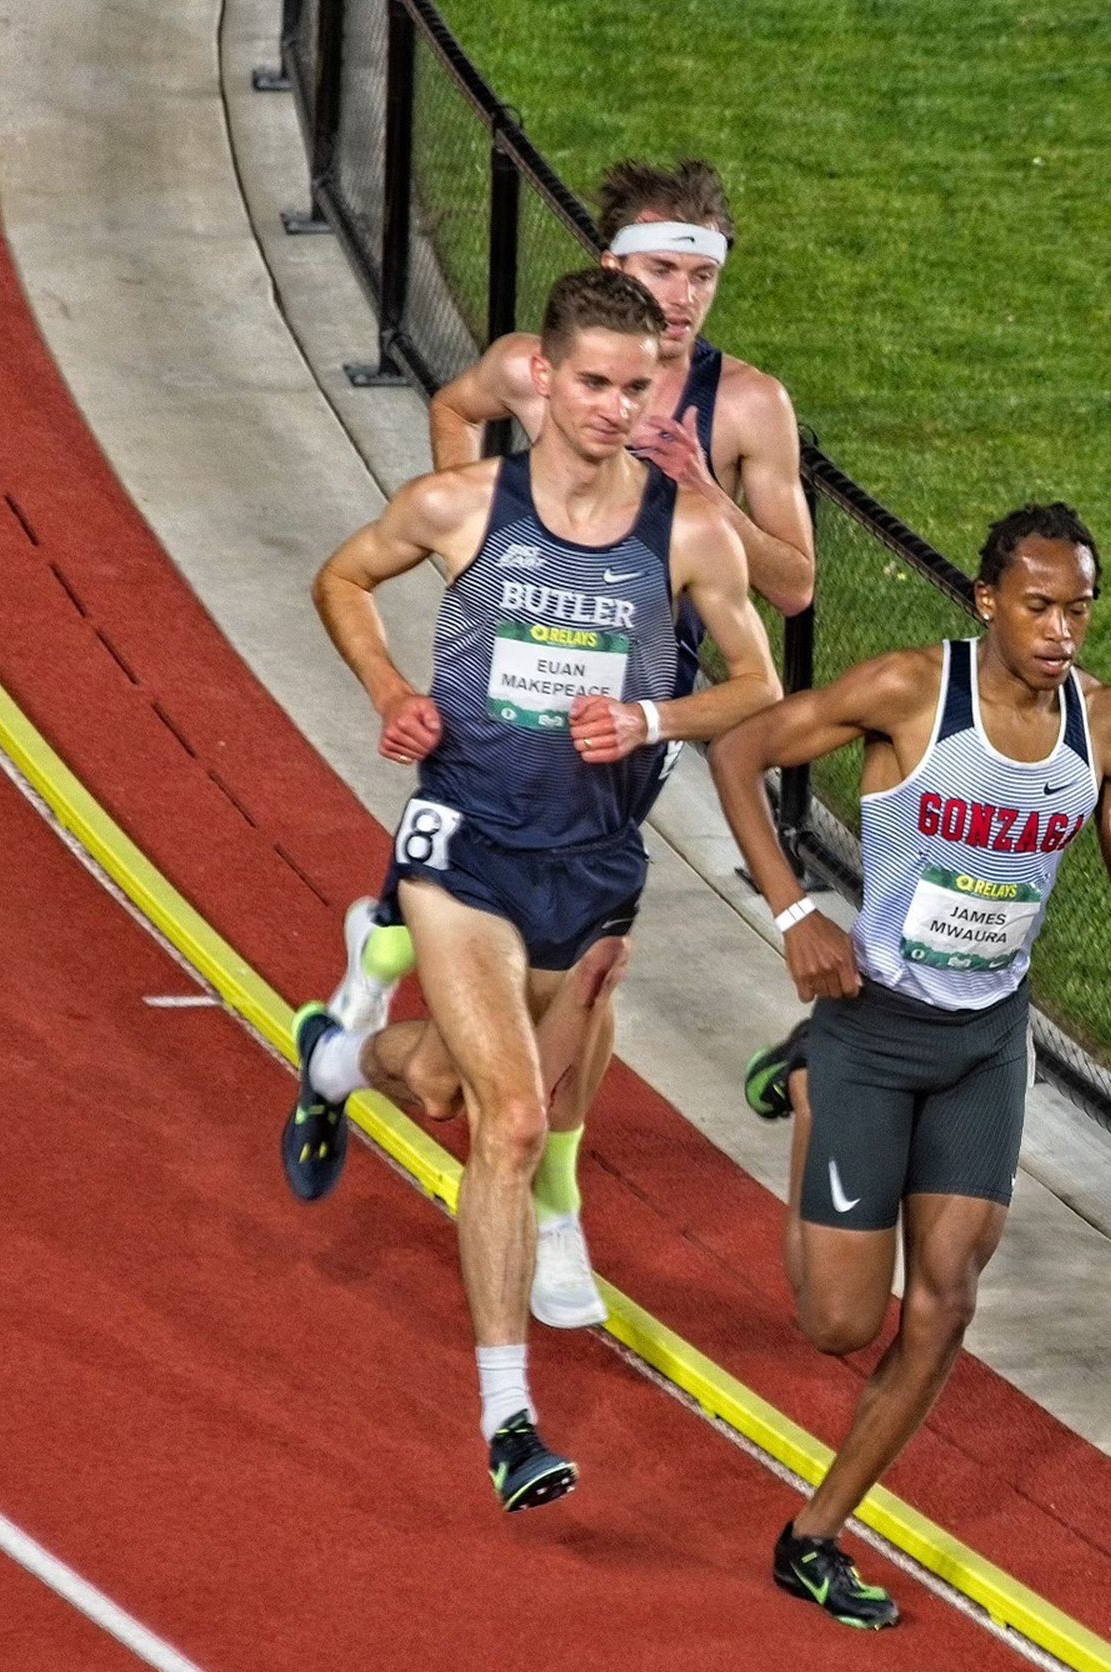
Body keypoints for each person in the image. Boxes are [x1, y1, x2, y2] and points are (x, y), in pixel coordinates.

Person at [284, 268, 781, 1512]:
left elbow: (757, 684)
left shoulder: (690, 532)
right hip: (466, 843)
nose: (619, 408)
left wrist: (654, 714)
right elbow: (341, 579)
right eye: (598, 384)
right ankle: (509, 1418)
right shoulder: (458, 505)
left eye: (640, 385)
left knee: (451, 1086)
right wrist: (395, 695)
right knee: (509, 1120)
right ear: (543, 378)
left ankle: (341, 1061)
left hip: (596, 861)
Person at [709, 502, 1111, 1625]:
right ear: (987, 602)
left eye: (1080, 607)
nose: (1063, 628)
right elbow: (738, 749)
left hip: (983, 1042)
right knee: (837, 1324)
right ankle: (812, 1084)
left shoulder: (1109, 733)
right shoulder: (914, 690)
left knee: (947, 1301)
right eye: (1039, 604)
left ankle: (812, 1534)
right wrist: (792, 917)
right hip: (871, 1025)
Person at [423, 157, 816, 1322]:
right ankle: (393, 1011)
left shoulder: (747, 408)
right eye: (660, 269)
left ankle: (549, 1201)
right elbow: (458, 408)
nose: (684, 295)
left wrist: (711, 493)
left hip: (628, 728)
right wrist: (482, 565)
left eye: (701, 274)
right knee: (524, 966)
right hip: (505, 700)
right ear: (609, 269)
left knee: (585, 969)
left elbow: (791, 589)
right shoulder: (552, 369)